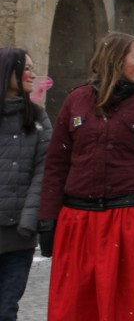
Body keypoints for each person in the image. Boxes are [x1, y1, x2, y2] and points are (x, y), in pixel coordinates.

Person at [38, 32, 134, 321]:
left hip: (127, 221)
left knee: (124, 307)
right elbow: (56, 164)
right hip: (77, 221)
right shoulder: (76, 100)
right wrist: (47, 220)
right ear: (115, 60)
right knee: (75, 307)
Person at [0, 48, 52, 321]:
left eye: (33, 67)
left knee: (6, 309)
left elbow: (45, 172)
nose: (33, 73)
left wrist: (30, 221)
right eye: (26, 68)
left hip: (18, 234)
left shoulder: (37, 118)